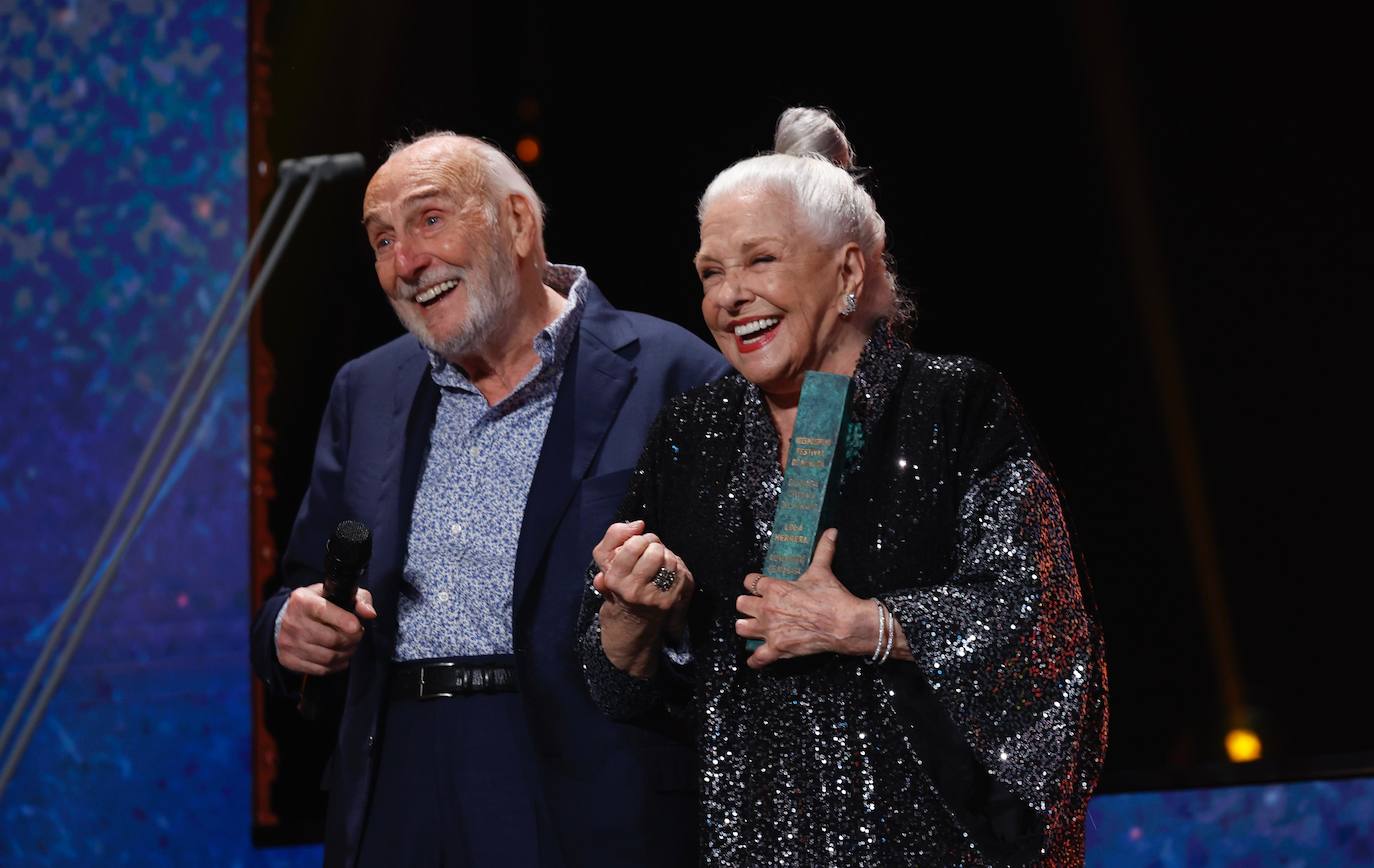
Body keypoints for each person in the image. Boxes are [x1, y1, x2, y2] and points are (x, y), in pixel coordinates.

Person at [579, 108, 1108, 866]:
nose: (729, 296)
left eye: (760, 260)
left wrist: (870, 625)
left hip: (936, 835)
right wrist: (632, 614)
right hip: (754, 839)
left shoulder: (956, 403)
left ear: (850, 272)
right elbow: (615, 687)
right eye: (710, 272)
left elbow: (1037, 616)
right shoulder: (690, 432)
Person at [250, 132, 730, 868]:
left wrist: (661, 613)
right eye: (382, 240)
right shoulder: (365, 390)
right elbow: (300, 586)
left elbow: (736, 617)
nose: (406, 262)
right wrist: (290, 628)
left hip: (586, 773)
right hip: (397, 774)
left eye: (430, 220)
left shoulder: (673, 374)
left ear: (516, 223)